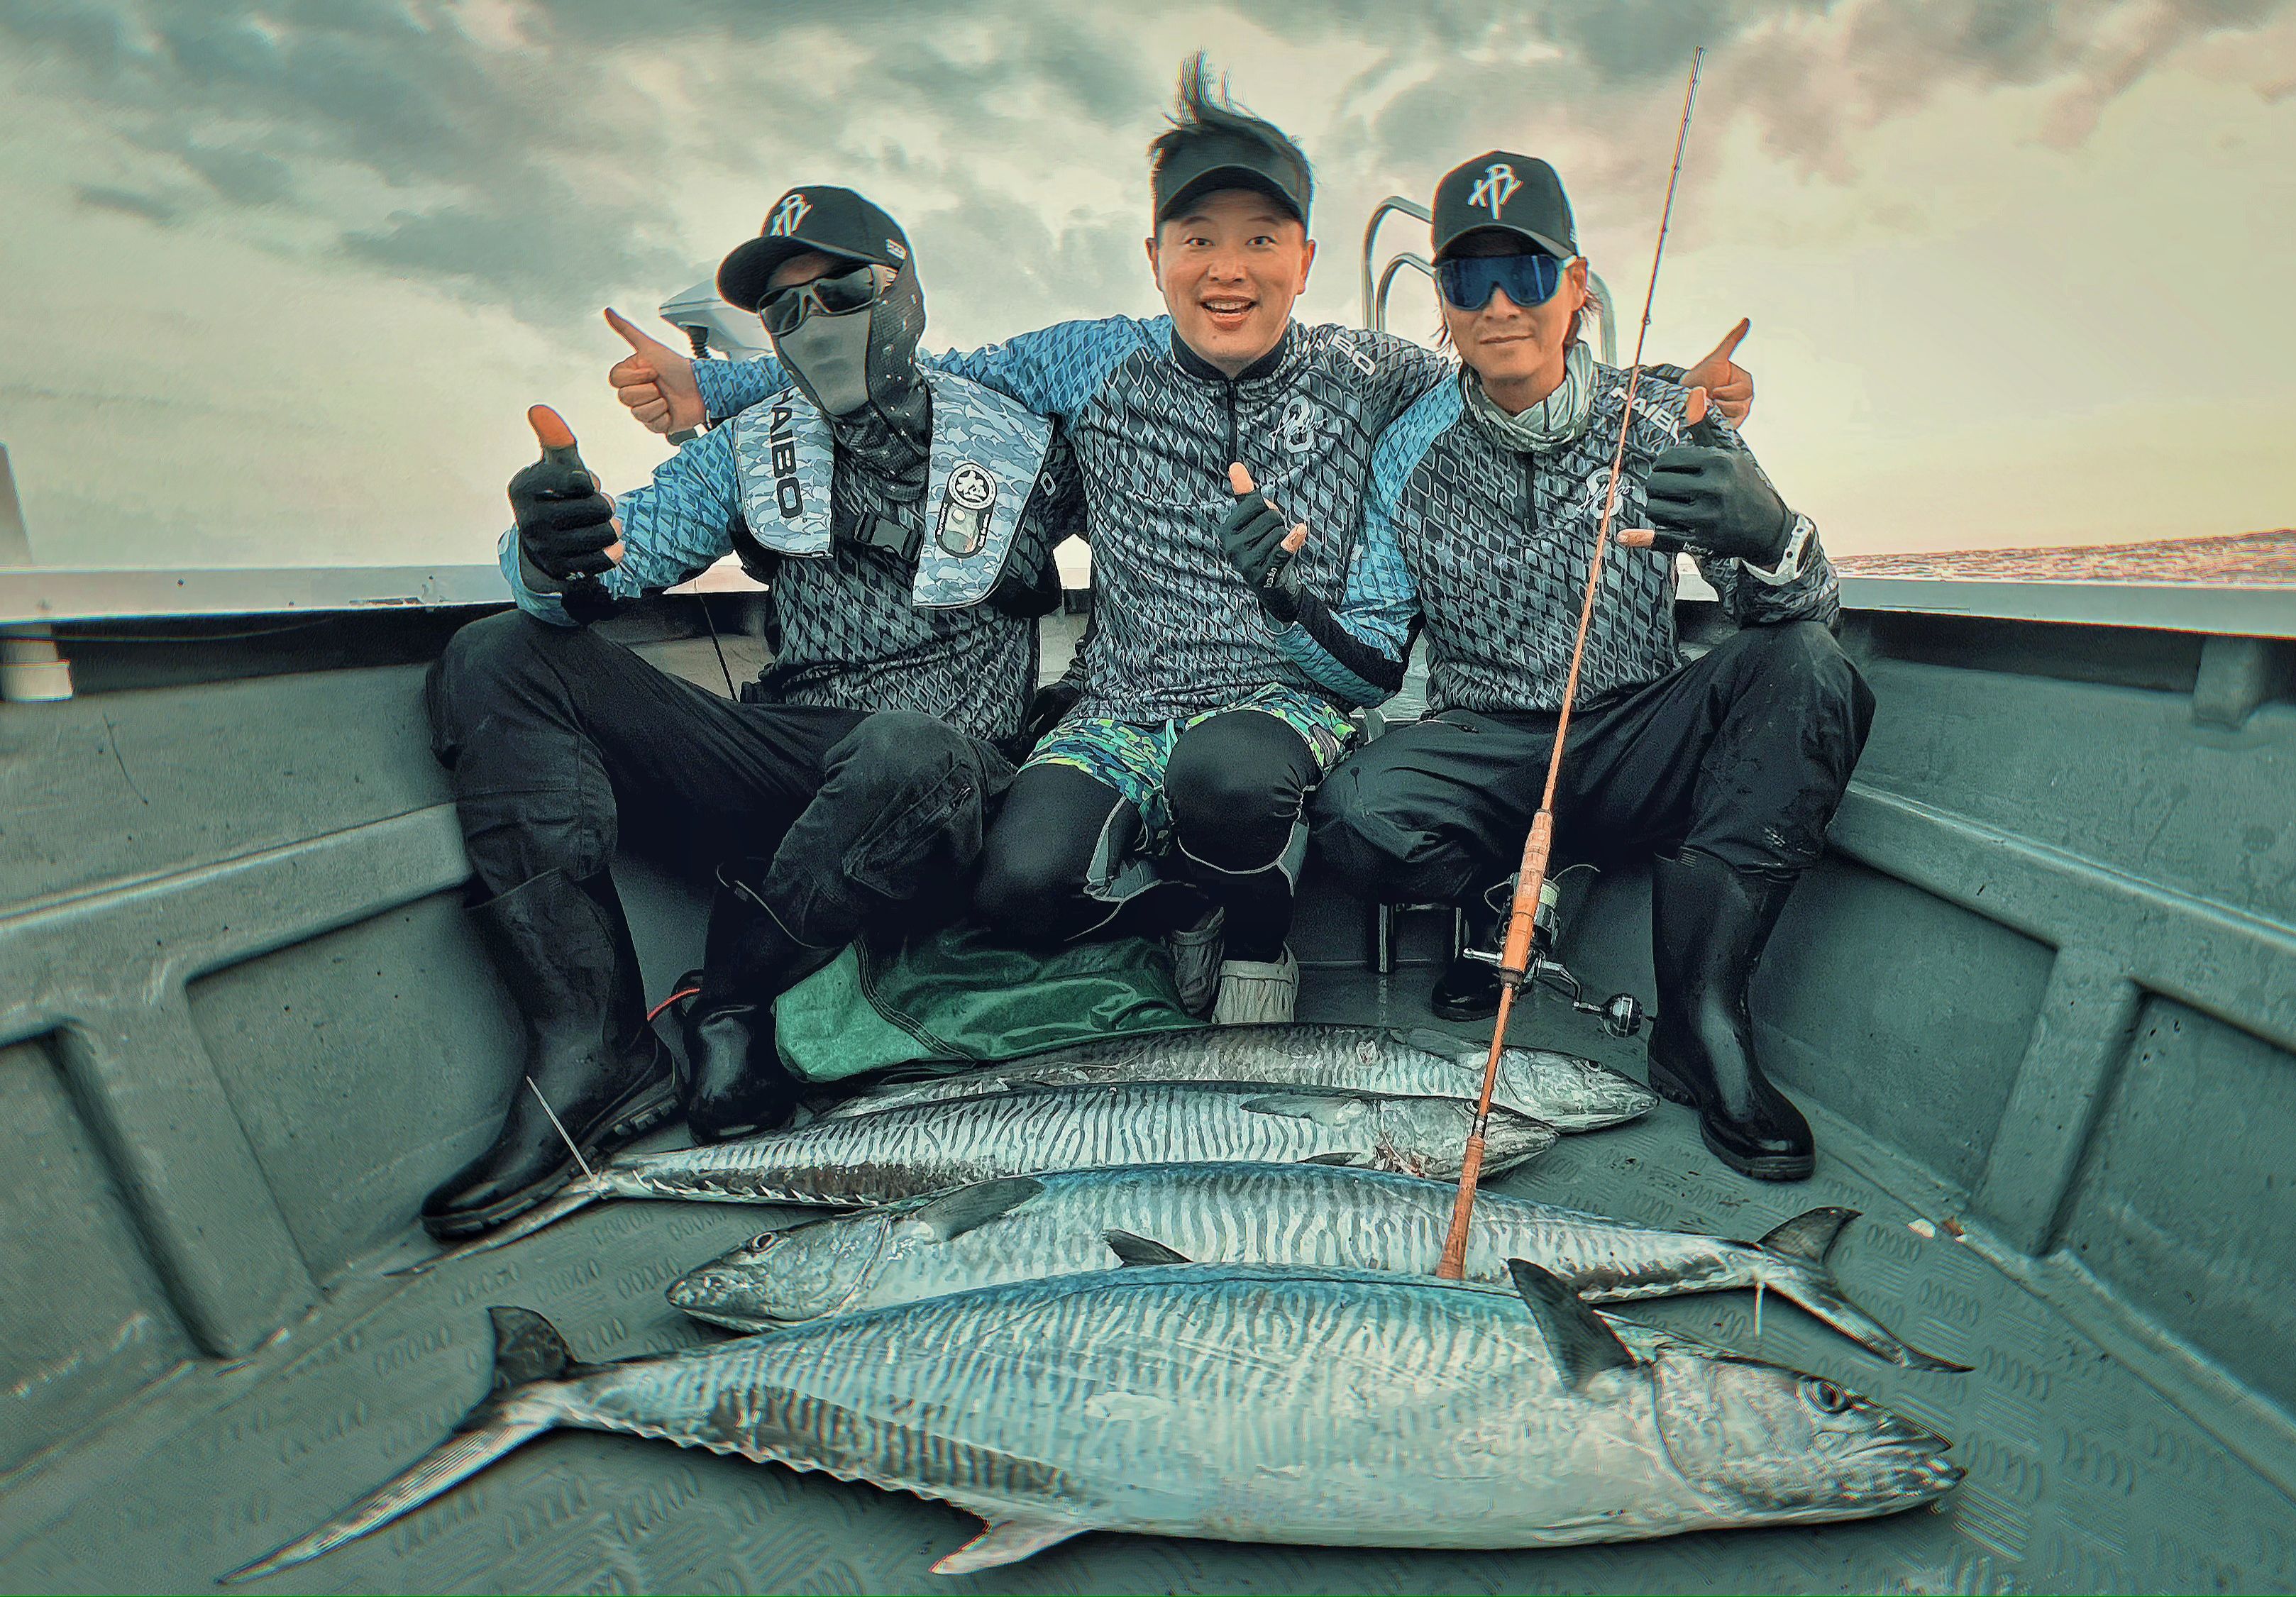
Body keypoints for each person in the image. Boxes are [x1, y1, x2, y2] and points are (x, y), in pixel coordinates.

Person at [608, 60, 1754, 1028]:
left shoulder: (1372, 373)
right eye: (1196, 237)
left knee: (1232, 779)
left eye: (1262, 238)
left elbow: (1510, 372)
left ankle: (1256, 931)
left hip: (1283, 700)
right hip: (1117, 705)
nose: (1228, 267)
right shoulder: (1089, 361)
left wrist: (1664, 387)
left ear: (1304, 260)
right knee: (1016, 884)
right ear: (1154, 256)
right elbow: (905, 364)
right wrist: (715, 385)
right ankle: (1180, 907)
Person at [419, 185, 1081, 1240]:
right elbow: (617, 555)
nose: (812, 323)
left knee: (910, 754)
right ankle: (593, 1054)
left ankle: (725, 995)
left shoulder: (1023, 435)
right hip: (791, 753)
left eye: (841, 293)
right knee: (499, 651)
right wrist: (548, 552)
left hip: (952, 781)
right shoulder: (752, 446)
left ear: (904, 291)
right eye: (785, 312)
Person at [1298, 152, 1871, 1183]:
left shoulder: (1661, 420)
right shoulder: (1410, 452)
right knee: (1354, 817)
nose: (1503, 302)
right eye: (1471, 279)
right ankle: (1495, 888)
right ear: (1444, 303)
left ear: (1575, 284)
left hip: (1635, 728)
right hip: (1486, 743)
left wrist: (1769, 529)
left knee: (1809, 671)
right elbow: (1376, 657)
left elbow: (1795, 612)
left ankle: (1703, 1021)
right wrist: (1289, 600)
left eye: (1529, 272)